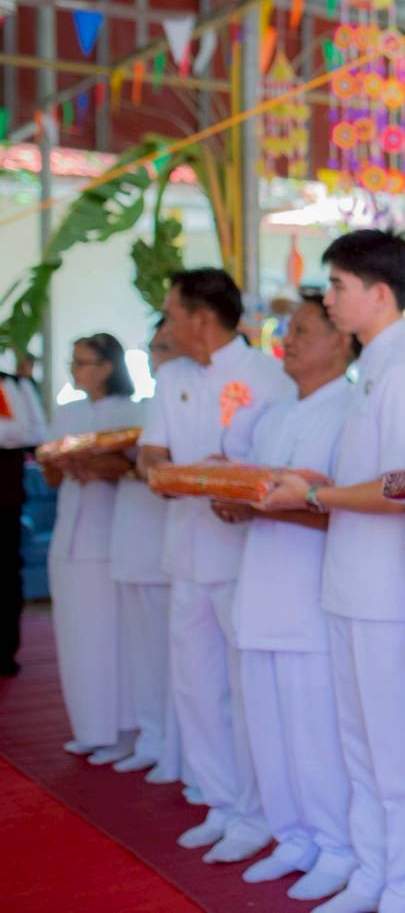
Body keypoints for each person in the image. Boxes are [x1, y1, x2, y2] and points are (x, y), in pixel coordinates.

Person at [264, 230, 405, 913]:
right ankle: (372, 870)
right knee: (360, 745)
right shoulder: (374, 365)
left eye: (338, 286)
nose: (330, 298)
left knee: (393, 750)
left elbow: (403, 486)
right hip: (351, 582)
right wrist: (322, 487)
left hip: (388, 590)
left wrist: (317, 494)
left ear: (379, 293)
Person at [138, 269, 294, 861]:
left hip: (243, 556)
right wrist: (160, 470)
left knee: (246, 691)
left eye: (173, 313)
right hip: (184, 551)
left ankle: (258, 811)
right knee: (195, 687)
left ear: (201, 318)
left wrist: (228, 477)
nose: (166, 326)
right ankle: (220, 802)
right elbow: (151, 452)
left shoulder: (268, 377)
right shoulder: (171, 377)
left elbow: (281, 466)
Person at [212, 291, 358, 900]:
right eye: (287, 330)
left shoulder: (350, 410)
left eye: (302, 330)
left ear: (341, 340)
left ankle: (337, 846)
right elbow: (254, 492)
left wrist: (276, 504)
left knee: (314, 734)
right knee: (268, 730)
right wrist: (232, 499)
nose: (288, 341)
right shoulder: (273, 415)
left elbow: (349, 509)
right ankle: (291, 836)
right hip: (260, 589)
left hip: (311, 598)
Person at [45, 334, 142, 760]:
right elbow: (50, 478)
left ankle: (120, 730)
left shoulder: (132, 411)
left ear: (107, 367)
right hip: (68, 535)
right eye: (73, 361)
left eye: (83, 362)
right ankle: (88, 726)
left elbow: (135, 469)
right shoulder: (68, 412)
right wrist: (61, 463)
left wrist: (96, 463)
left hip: (107, 539)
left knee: (109, 640)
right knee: (75, 639)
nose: (75, 369)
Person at [108, 319, 182, 777]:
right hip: (133, 537)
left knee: (166, 656)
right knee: (141, 651)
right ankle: (151, 735)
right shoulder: (147, 404)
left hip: (165, 543)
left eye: (165, 348)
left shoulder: (187, 401)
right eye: (153, 349)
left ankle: (172, 746)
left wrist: (129, 467)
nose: (156, 358)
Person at [0, 349, 48, 676]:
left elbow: (32, 434)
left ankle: (5, 651)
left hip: (5, 496)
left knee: (5, 572)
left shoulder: (13, 385)